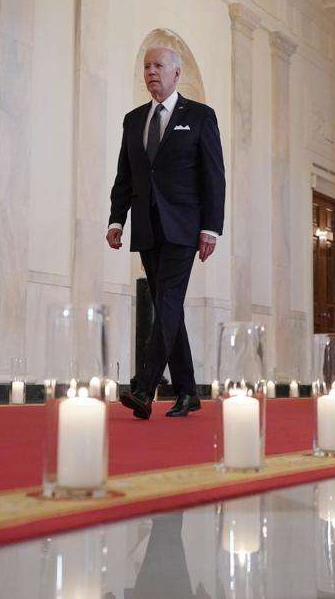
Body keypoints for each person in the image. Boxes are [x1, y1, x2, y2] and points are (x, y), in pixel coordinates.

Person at [106, 46, 225, 419]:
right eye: (146, 66)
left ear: (177, 73)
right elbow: (125, 175)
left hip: (184, 226)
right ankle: (188, 392)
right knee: (166, 306)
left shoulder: (201, 117)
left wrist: (210, 227)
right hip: (146, 225)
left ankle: (144, 388)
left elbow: (213, 176)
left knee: (169, 301)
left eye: (158, 66)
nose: (151, 72)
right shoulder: (133, 119)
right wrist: (116, 219)